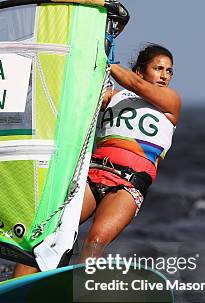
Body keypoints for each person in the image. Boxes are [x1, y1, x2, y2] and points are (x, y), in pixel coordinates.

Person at [13, 44, 181, 278]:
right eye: (158, 68)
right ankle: (14, 287)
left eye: (169, 71)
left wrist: (105, 62)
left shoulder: (170, 103)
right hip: (93, 175)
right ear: (141, 70)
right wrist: (97, 94)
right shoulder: (114, 95)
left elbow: (136, 85)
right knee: (48, 233)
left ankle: (80, 293)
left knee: (96, 240)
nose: (165, 75)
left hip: (127, 185)